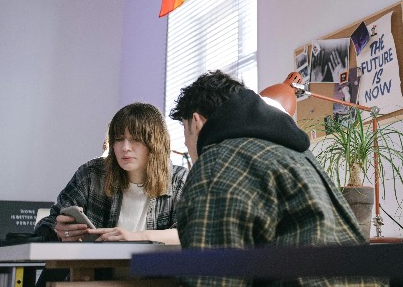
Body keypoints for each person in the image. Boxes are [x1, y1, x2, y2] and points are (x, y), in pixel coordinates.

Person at [170, 70, 381, 286]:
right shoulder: (299, 155)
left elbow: (211, 280)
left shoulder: (216, 163)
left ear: (196, 122)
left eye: (185, 133)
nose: (186, 145)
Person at [34, 102, 188, 244]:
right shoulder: (92, 174)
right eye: (119, 139)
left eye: (135, 139)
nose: (125, 147)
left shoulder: (179, 180)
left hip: (153, 272)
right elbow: (50, 221)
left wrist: (137, 236)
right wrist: (59, 230)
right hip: (94, 270)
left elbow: (188, 233)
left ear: (155, 143)